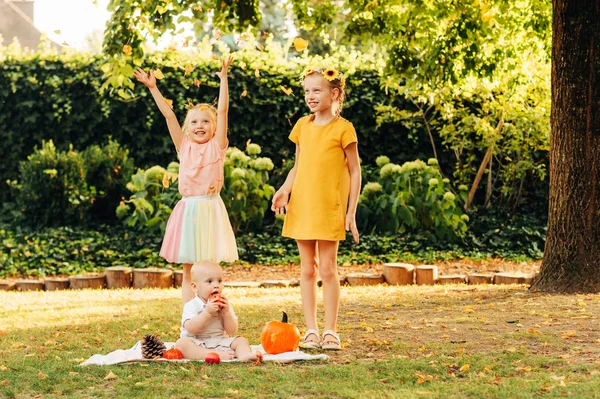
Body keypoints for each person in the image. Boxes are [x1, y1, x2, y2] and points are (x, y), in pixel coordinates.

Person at [133, 57, 238, 305]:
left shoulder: (217, 146)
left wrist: (224, 79)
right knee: (189, 269)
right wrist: (153, 88)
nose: (199, 125)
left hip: (211, 209)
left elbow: (223, 111)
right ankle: (189, 315)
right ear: (187, 127)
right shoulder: (184, 146)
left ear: (214, 128)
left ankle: (213, 312)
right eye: (194, 121)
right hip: (190, 210)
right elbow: (169, 116)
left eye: (205, 121)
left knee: (211, 270)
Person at [271, 67, 361, 350]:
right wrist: (285, 189)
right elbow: (298, 166)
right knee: (307, 269)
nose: (310, 96)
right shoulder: (301, 126)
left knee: (328, 268)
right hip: (303, 205)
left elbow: (355, 172)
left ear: (334, 93)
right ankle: (310, 330)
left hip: (328, 207)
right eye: (307, 90)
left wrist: (351, 212)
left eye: (317, 90)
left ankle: (330, 331)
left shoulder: (344, 129)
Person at [174, 261, 262, 362]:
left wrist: (226, 313)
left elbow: (232, 331)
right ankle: (211, 355)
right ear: (195, 287)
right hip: (197, 342)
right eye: (209, 281)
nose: (216, 285)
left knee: (241, 341)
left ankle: (245, 355)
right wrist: (207, 312)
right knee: (181, 345)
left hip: (219, 342)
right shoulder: (191, 305)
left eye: (219, 281)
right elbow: (190, 328)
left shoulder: (224, 304)